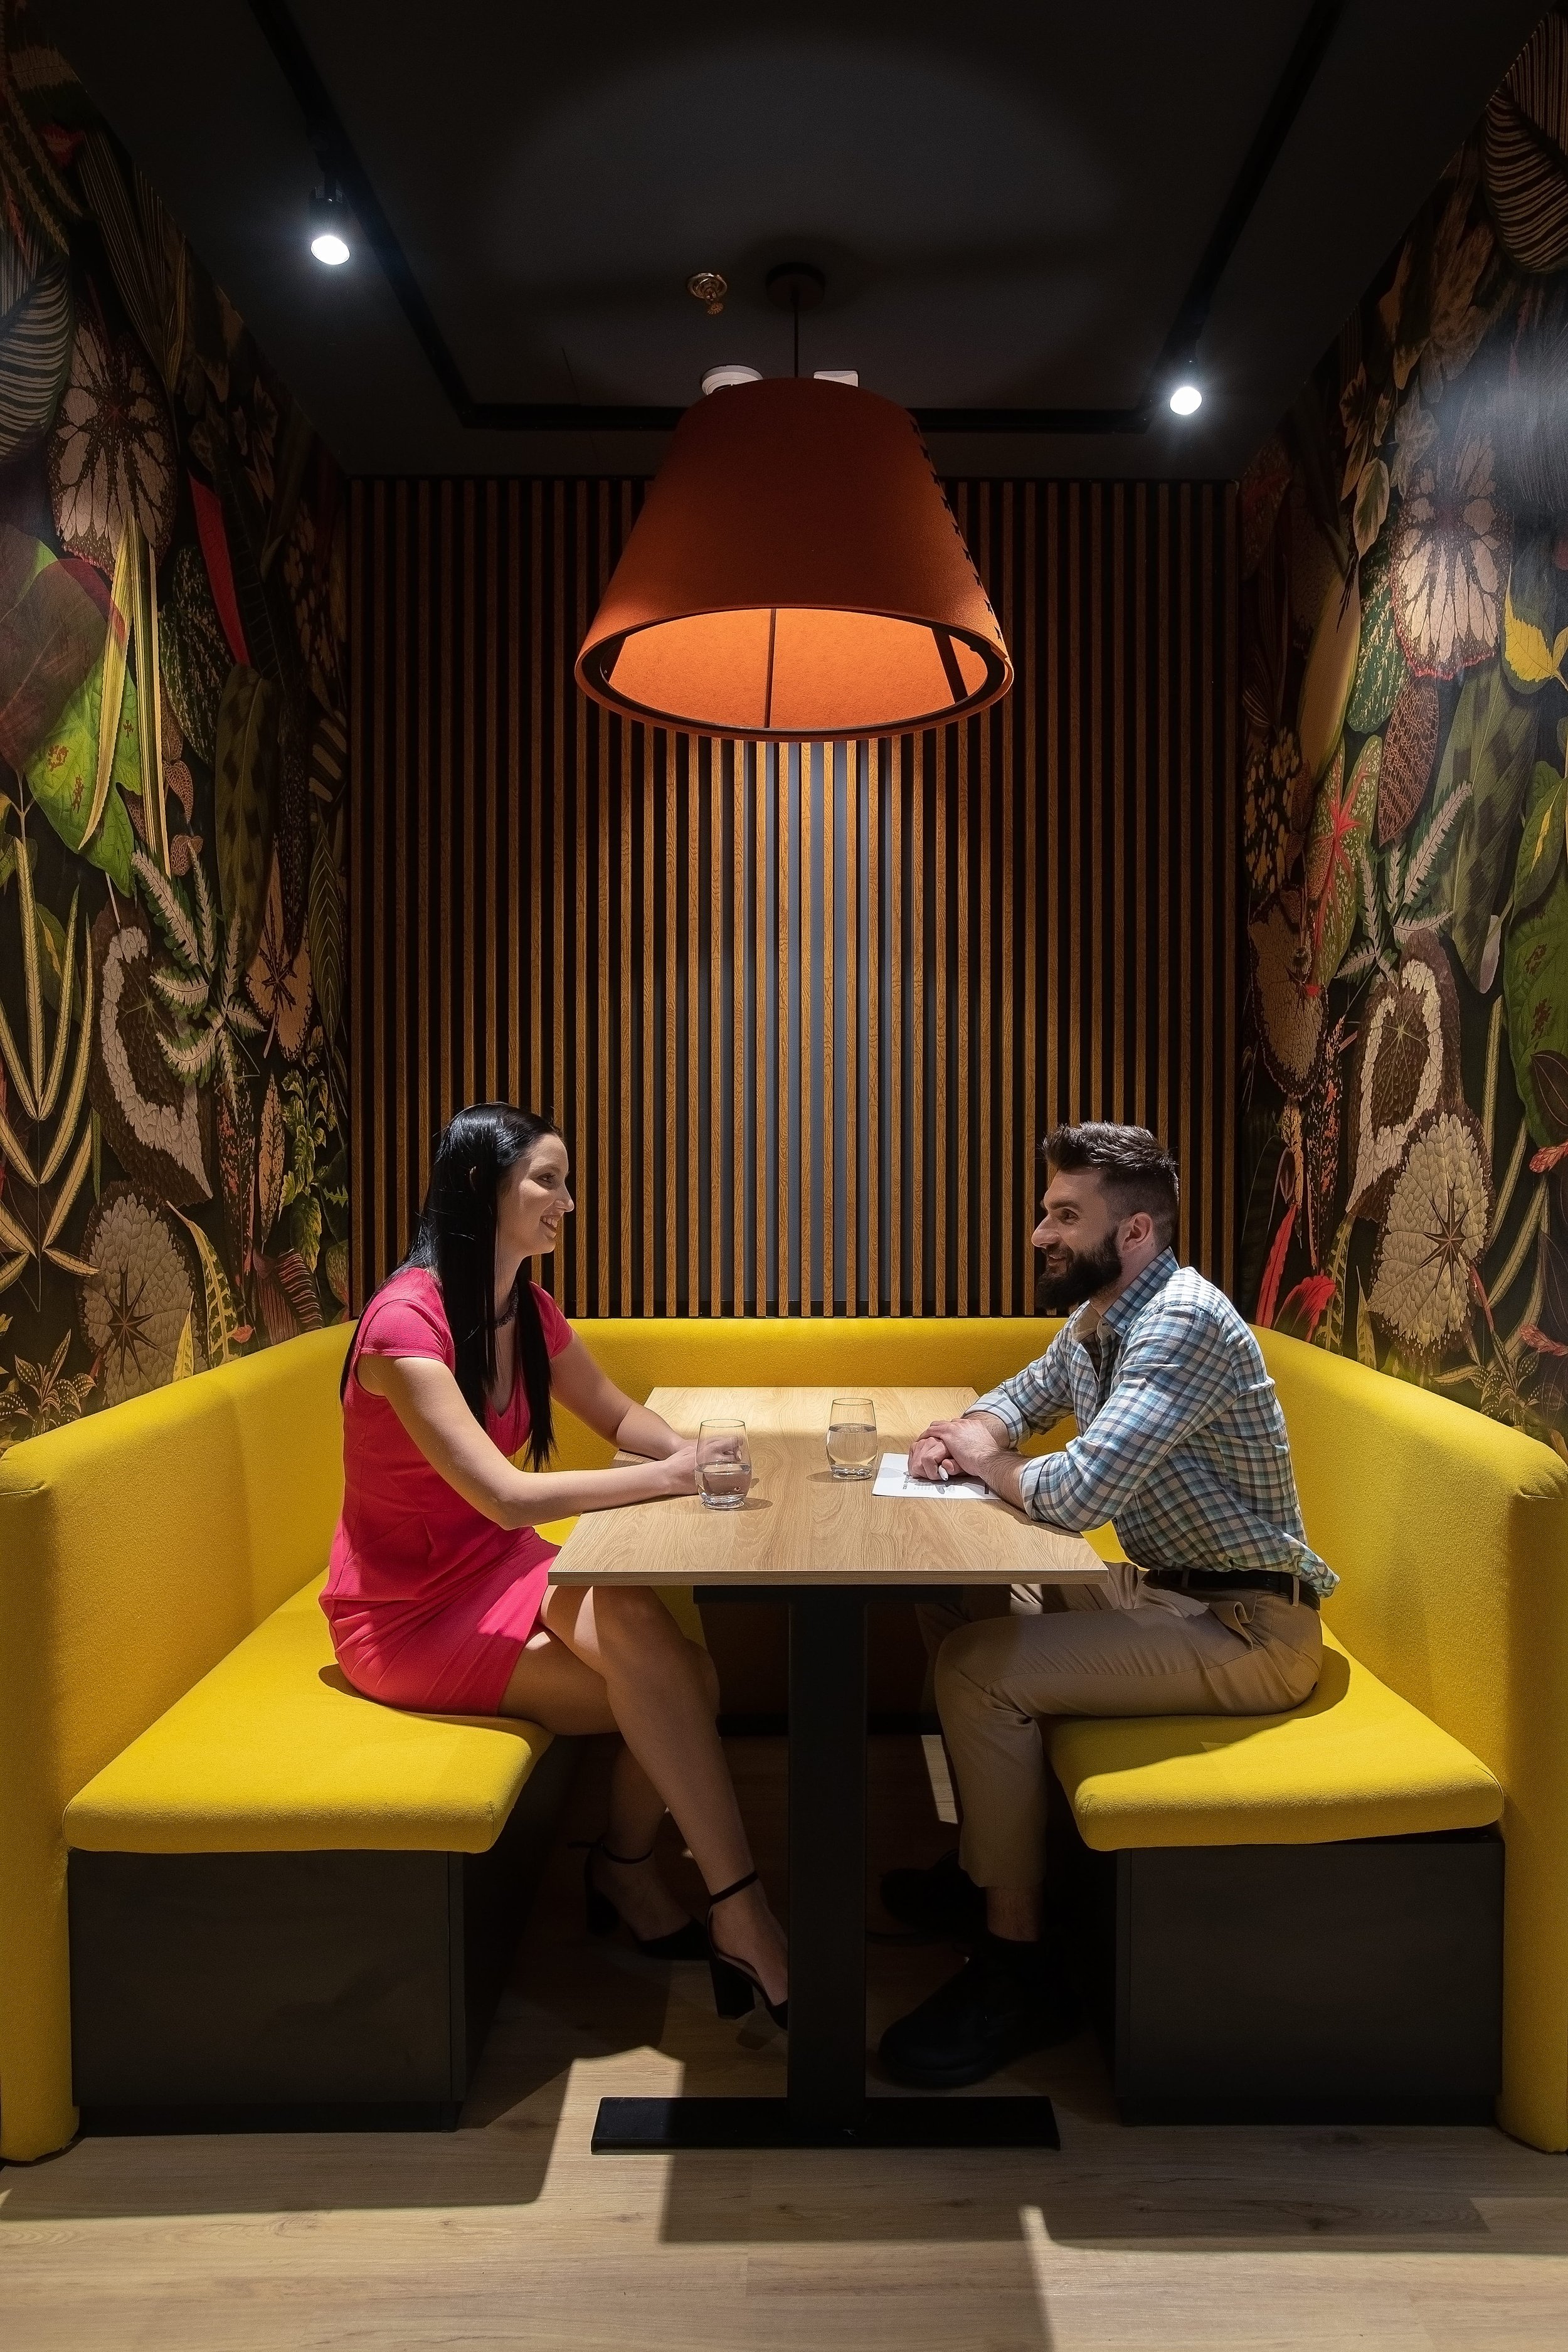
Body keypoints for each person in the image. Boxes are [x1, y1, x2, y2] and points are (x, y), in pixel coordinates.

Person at [877, 1120, 1333, 2088]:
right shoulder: (1099, 1317)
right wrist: (966, 1432)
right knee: (956, 1595)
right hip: (1161, 1589)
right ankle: (988, 1872)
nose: (1040, 1232)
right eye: (1045, 1211)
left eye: (1062, 1214)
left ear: (1134, 1233)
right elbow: (1016, 1395)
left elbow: (1077, 1494)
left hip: (1247, 1626)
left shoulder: (1179, 1323)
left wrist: (982, 1456)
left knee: (979, 1670)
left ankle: (1020, 1969)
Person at [322, 1103, 785, 2024]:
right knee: (667, 1684)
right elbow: (503, 1494)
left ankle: (625, 1873)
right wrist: (670, 1478)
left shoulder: (524, 1307)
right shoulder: (403, 1327)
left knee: (669, 1653)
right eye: (547, 1180)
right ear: (475, 1186)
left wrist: (704, 1451)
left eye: (565, 1182)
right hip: (407, 1614)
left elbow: (618, 1416)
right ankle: (745, 1916)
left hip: (503, 1566)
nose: (566, 1202)